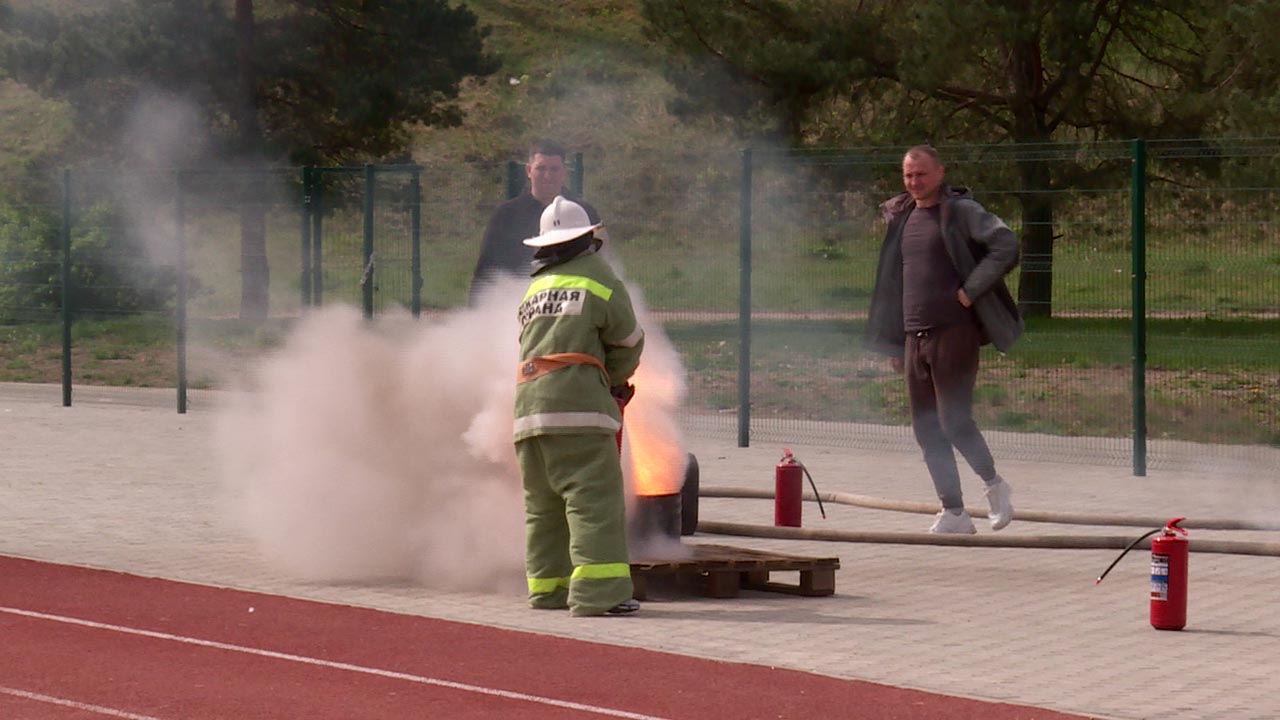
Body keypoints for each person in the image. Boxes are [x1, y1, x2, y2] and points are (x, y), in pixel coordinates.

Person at [865, 145, 1023, 534]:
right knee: (925, 427)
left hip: (955, 330)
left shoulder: (962, 211)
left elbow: (1006, 245)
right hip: (913, 335)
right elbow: (894, 281)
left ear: (940, 172)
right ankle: (954, 512)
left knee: (953, 420)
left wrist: (971, 290)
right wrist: (894, 343)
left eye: (921, 174)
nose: (914, 182)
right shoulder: (902, 217)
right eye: (907, 175)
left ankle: (995, 486)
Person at [512, 196, 644, 616]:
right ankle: (598, 595)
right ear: (588, 239)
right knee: (594, 503)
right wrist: (614, 381)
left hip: (528, 410)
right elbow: (627, 340)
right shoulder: (598, 277)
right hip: (579, 409)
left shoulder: (534, 289)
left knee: (543, 506)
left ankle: (548, 590)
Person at [469, 139, 602, 304]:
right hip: (516, 306)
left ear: (564, 172)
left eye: (554, 169)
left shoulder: (584, 213)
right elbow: (486, 271)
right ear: (529, 170)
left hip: (576, 304)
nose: (548, 176)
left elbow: (602, 260)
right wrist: (477, 316)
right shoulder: (506, 216)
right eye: (541, 168)